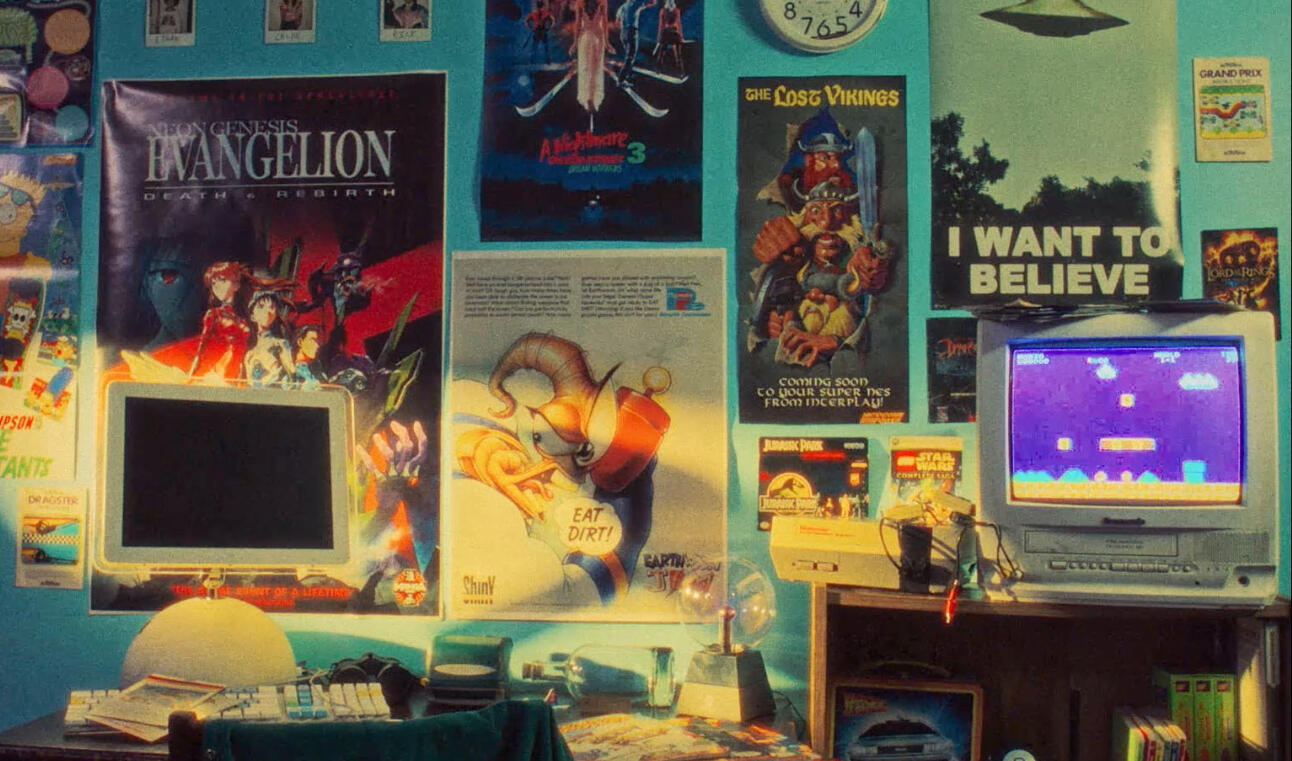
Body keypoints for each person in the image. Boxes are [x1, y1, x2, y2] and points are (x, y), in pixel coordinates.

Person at [189, 261, 252, 379]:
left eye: (222, 280)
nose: (216, 286)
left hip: (238, 373)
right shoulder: (214, 314)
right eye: (213, 283)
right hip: (219, 373)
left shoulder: (242, 319)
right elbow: (201, 347)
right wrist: (191, 375)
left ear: (236, 285)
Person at [615, 0, 657, 87]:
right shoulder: (635, 3)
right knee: (630, 57)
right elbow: (652, 2)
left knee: (629, 56)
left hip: (623, 32)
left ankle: (626, 75)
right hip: (631, 32)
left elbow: (617, 22)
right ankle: (621, 80)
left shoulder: (622, 7)